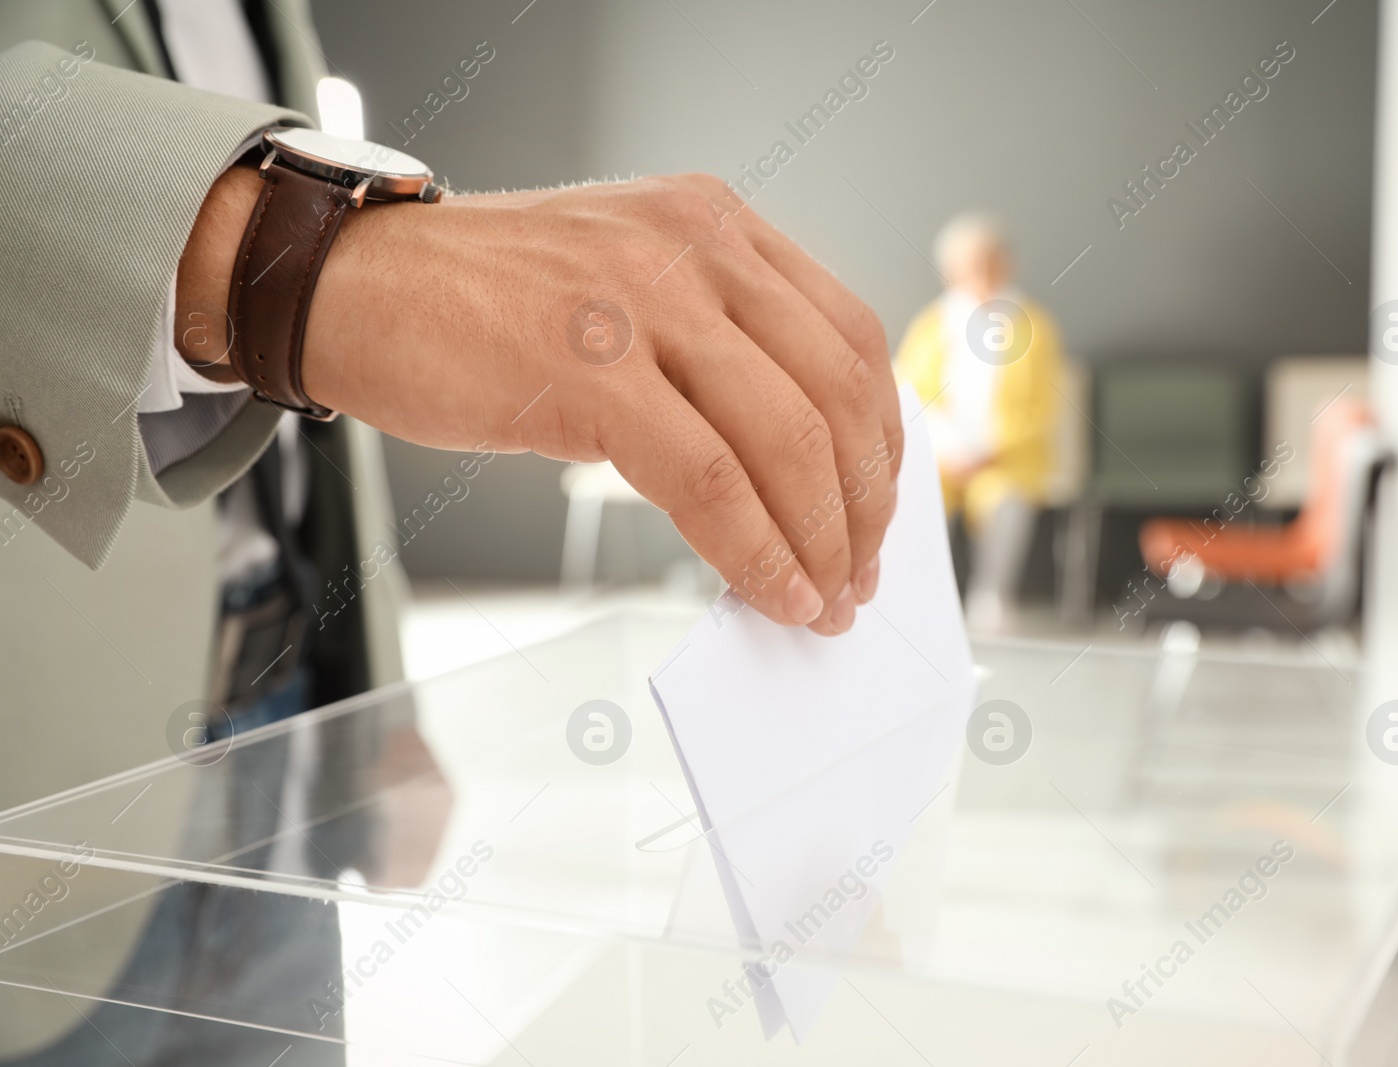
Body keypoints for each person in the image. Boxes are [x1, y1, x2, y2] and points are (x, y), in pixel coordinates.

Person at [0, 2, 901, 1061]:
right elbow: (312, 318)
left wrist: (371, 685)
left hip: (283, 735)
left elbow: (314, 406)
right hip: (45, 788)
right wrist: (310, 266)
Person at [894, 214, 1072, 633]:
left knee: (1004, 504)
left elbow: (1042, 406)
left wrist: (986, 451)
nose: (981, 273)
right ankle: (914, 601)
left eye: (990, 262)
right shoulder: (930, 325)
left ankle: (992, 597)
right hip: (940, 458)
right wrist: (949, 448)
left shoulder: (1036, 327)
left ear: (1006, 264)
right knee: (910, 496)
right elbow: (910, 394)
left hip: (1007, 460)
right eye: (969, 264)